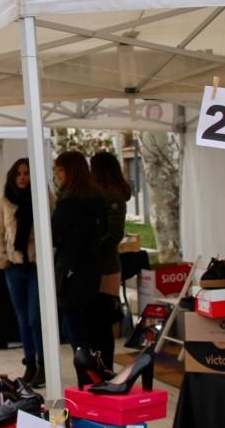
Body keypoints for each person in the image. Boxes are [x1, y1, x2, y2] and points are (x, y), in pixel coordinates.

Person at [0, 158, 46, 387]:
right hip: (14, 267)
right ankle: (30, 364)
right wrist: (1, 258)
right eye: (19, 173)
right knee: (23, 319)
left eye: (27, 173)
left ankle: (43, 364)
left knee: (35, 318)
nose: (23, 177)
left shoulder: (43, 197)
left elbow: (53, 228)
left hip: (36, 267)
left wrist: (47, 254)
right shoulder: (5, 199)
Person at [51, 150, 107, 354]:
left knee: (73, 326)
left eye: (60, 170)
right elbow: (105, 230)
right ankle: (90, 367)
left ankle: (87, 370)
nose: (57, 175)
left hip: (71, 269)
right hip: (91, 266)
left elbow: (53, 232)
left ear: (70, 172)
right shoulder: (98, 198)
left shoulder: (68, 203)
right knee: (75, 323)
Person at [88, 151, 130, 368]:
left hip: (107, 265)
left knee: (104, 317)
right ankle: (100, 363)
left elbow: (114, 233)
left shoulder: (113, 196)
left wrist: (90, 246)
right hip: (98, 263)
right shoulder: (100, 194)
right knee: (97, 318)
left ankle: (105, 365)